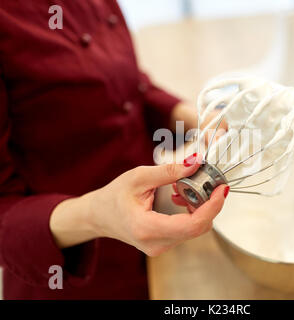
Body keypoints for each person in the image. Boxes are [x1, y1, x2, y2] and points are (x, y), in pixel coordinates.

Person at [0, 0, 228, 299]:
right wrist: (96, 215)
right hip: (72, 278)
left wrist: (196, 117)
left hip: (152, 243)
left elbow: (125, 84)